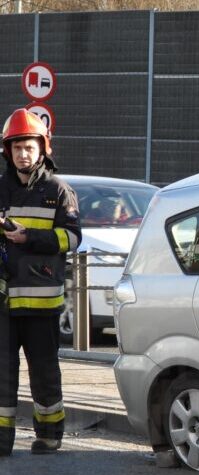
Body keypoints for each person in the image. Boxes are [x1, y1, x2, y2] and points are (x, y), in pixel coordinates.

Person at [0, 108, 81, 456]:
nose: (23, 154)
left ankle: (49, 434)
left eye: (28, 147)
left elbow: (73, 239)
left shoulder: (58, 191)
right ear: (8, 151)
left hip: (42, 302)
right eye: (17, 147)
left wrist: (28, 237)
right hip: (4, 301)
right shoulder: (0, 189)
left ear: (42, 148)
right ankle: (2, 440)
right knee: (2, 375)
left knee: (45, 372)